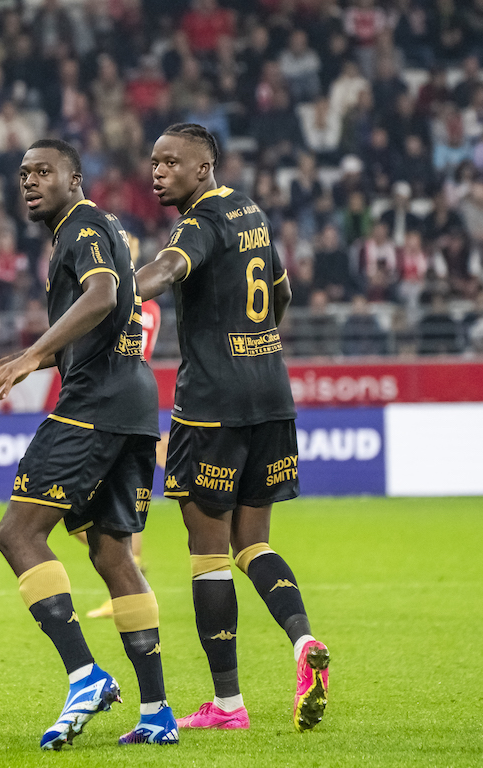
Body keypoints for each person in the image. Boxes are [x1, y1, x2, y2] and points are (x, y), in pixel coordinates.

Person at [0, 139, 178, 750]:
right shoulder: (99, 229)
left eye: (43, 171)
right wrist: (13, 359)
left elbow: (102, 295)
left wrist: (28, 356)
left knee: (17, 534)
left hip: (93, 404)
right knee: (112, 553)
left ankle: (85, 676)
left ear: (74, 178)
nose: (29, 181)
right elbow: (100, 319)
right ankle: (157, 712)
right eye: (24, 173)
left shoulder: (81, 228)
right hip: (133, 404)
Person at [134, 123, 329, 733]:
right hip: (271, 396)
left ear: (203, 168)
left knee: (209, 555)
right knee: (252, 545)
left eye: (171, 162)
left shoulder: (198, 223)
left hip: (212, 405)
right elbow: (282, 293)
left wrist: (114, 292)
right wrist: (252, 344)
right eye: (154, 162)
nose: (158, 172)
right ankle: (304, 641)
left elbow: (168, 269)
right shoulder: (252, 213)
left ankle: (227, 704)